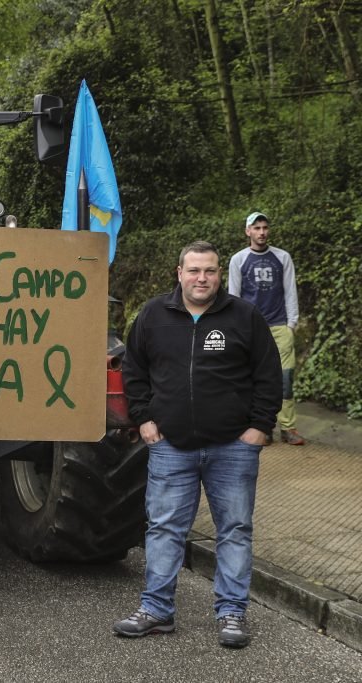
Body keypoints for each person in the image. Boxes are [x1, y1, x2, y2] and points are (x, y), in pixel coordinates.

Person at [114, 240, 281, 649]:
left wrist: (259, 427)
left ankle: (231, 614)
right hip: (172, 446)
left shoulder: (244, 316)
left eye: (209, 271)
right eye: (194, 271)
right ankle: (156, 610)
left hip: (233, 447)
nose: (201, 278)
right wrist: (144, 418)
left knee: (236, 530)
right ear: (179, 273)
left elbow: (268, 374)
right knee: (165, 528)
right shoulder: (154, 315)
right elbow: (133, 368)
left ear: (219, 274)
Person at [229, 211, 305, 446]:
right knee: (252, 378)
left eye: (265, 227)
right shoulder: (238, 260)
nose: (261, 232)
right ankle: (261, 427)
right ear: (248, 231)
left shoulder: (282, 258)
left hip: (280, 325)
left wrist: (292, 324)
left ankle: (288, 428)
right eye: (257, 228)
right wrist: (236, 327)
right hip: (251, 329)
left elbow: (290, 291)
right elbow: (234, 296)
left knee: (285, 378)